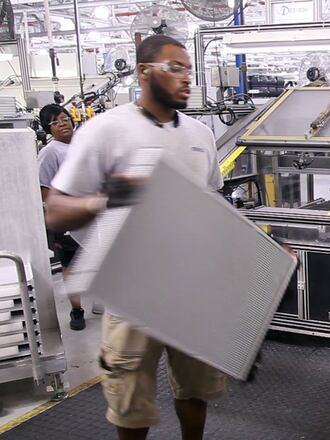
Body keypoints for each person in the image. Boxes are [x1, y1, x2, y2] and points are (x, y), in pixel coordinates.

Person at [44, 35, 225, 440]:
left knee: (197, 390)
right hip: (131, 290)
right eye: (174, 68)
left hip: (191, 288)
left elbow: (211, 203)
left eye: (188, 69)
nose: (185, 78)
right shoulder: (104, 131)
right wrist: (107, 198)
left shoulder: (200, 133)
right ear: (144, 72)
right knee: (131, 402)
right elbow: (55, 211)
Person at [37, 104, 86, 331]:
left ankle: (103, 302)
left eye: (64, 118)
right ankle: (77, 310)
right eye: (55, 122)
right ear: (49, 129)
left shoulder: (84, 144)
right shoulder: (49, 152)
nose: (63, 123)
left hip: (91, 213)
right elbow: (44, 189)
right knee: (71, 265)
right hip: (67, 217)